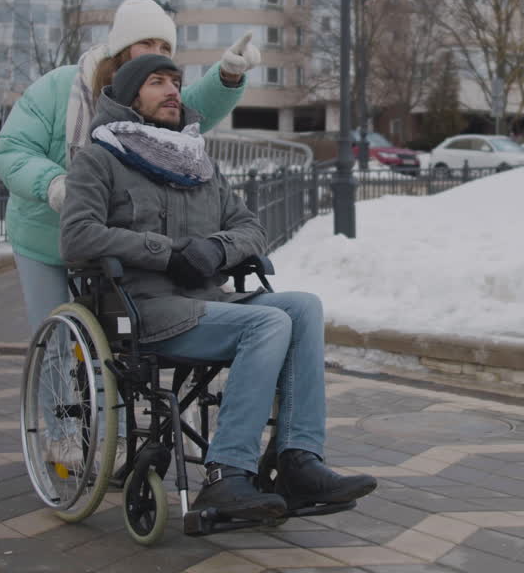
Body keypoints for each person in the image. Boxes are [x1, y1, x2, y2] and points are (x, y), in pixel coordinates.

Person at [59, 54, 377, 520]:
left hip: (208, 302)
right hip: (144, 309)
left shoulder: (197, 165)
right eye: (157, 82)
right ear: (129, 97)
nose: (172, 91)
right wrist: (163, 251)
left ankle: (298, 460)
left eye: (175, 81)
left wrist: (215, 250)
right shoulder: (99, 159)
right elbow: (78, 236)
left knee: (304, 306)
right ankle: (227, 475)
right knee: (267, 324)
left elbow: (251, 228)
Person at [0, 0, 261, 334]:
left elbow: (182, 109)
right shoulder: (58, 87)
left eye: (165, 45)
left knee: (117, 343)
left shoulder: (148, 95)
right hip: (45, 233)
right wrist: (56, 185)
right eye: (146, 42)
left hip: (113, 237)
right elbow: (12, 149)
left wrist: (227, 76)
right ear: (120, 48)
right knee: (55, 337)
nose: (158, 51)